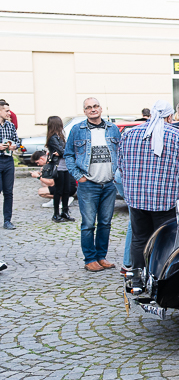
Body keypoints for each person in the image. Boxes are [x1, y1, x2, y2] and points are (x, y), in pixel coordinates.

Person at [119, 100, 179, 276]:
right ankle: (160, 277)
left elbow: (121, 166)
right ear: (170, 116)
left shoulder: (129, 135)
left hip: (137, 199)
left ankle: (138, 277)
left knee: (139, 239)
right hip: (166, 200)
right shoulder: (178, 136)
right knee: (164, 241)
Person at [64, 97, 120, 272]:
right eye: (89, 107)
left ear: (101, 109)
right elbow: (68, 155)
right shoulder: (77, 130)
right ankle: (90, 259)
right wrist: (78, 176)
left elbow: (122, 152)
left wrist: (118, 175)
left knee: (105, 222)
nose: (93, 109)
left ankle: (101, 257)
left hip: (109, 184)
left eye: (95, 106)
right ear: (85, 111)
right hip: (88, 184)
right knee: (88, 224)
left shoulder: (113, 129)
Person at [46, 115, 74, 222]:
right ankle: (56, 214)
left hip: (65, 166)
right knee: (58, 191)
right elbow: (65, 151)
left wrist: (63, 152)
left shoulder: (61, 137)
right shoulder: (53, 138)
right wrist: (63, 151)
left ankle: (65, 212)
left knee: (66, 190)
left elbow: (67, 150)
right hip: (58, 167)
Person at [0, 101, 18, 230]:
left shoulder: (10, 125)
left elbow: (17, 140)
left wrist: (14, 146)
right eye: (6, 111)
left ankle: (7, 221)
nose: (9, 113)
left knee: (8, 192)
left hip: (8, 160)